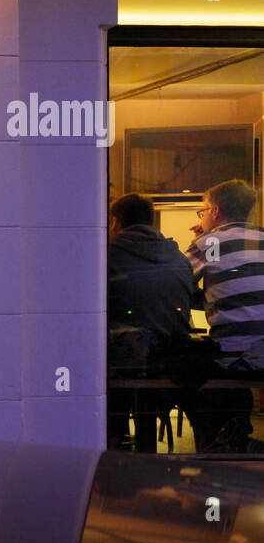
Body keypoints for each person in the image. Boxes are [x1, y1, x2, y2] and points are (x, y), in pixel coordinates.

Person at [104, 194, 195, 449]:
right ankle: (141, 449)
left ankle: (115, 445)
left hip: (128, 362)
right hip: (171, 359)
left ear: (115, 222)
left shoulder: (106, 254)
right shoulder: (180, 258)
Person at [183, 179, 264, 450]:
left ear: (215, 211)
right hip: (260, 353)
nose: (202, 217)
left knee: (186, 375)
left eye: (203, 211)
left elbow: (177, 283)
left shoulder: (211, 242)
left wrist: (200, 241)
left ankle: (215, 446)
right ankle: (237, 429)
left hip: (235, 354)